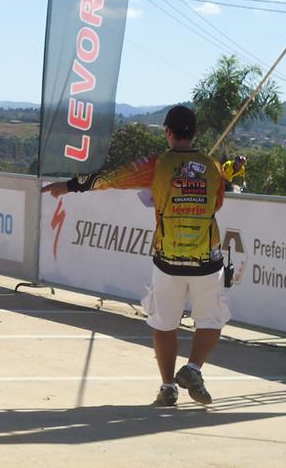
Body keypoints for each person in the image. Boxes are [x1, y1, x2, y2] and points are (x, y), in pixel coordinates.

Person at [42, 105, 228, 407]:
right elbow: (217, 204)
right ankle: (193, 368)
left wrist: (69, 186)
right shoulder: (213, 166)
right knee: (212, 320)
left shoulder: (157, 164)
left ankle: (168, 388)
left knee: (164, 324)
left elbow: (112, 178)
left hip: (168, 260)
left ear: (168, 132)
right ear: (194, 133)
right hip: (207, 260)